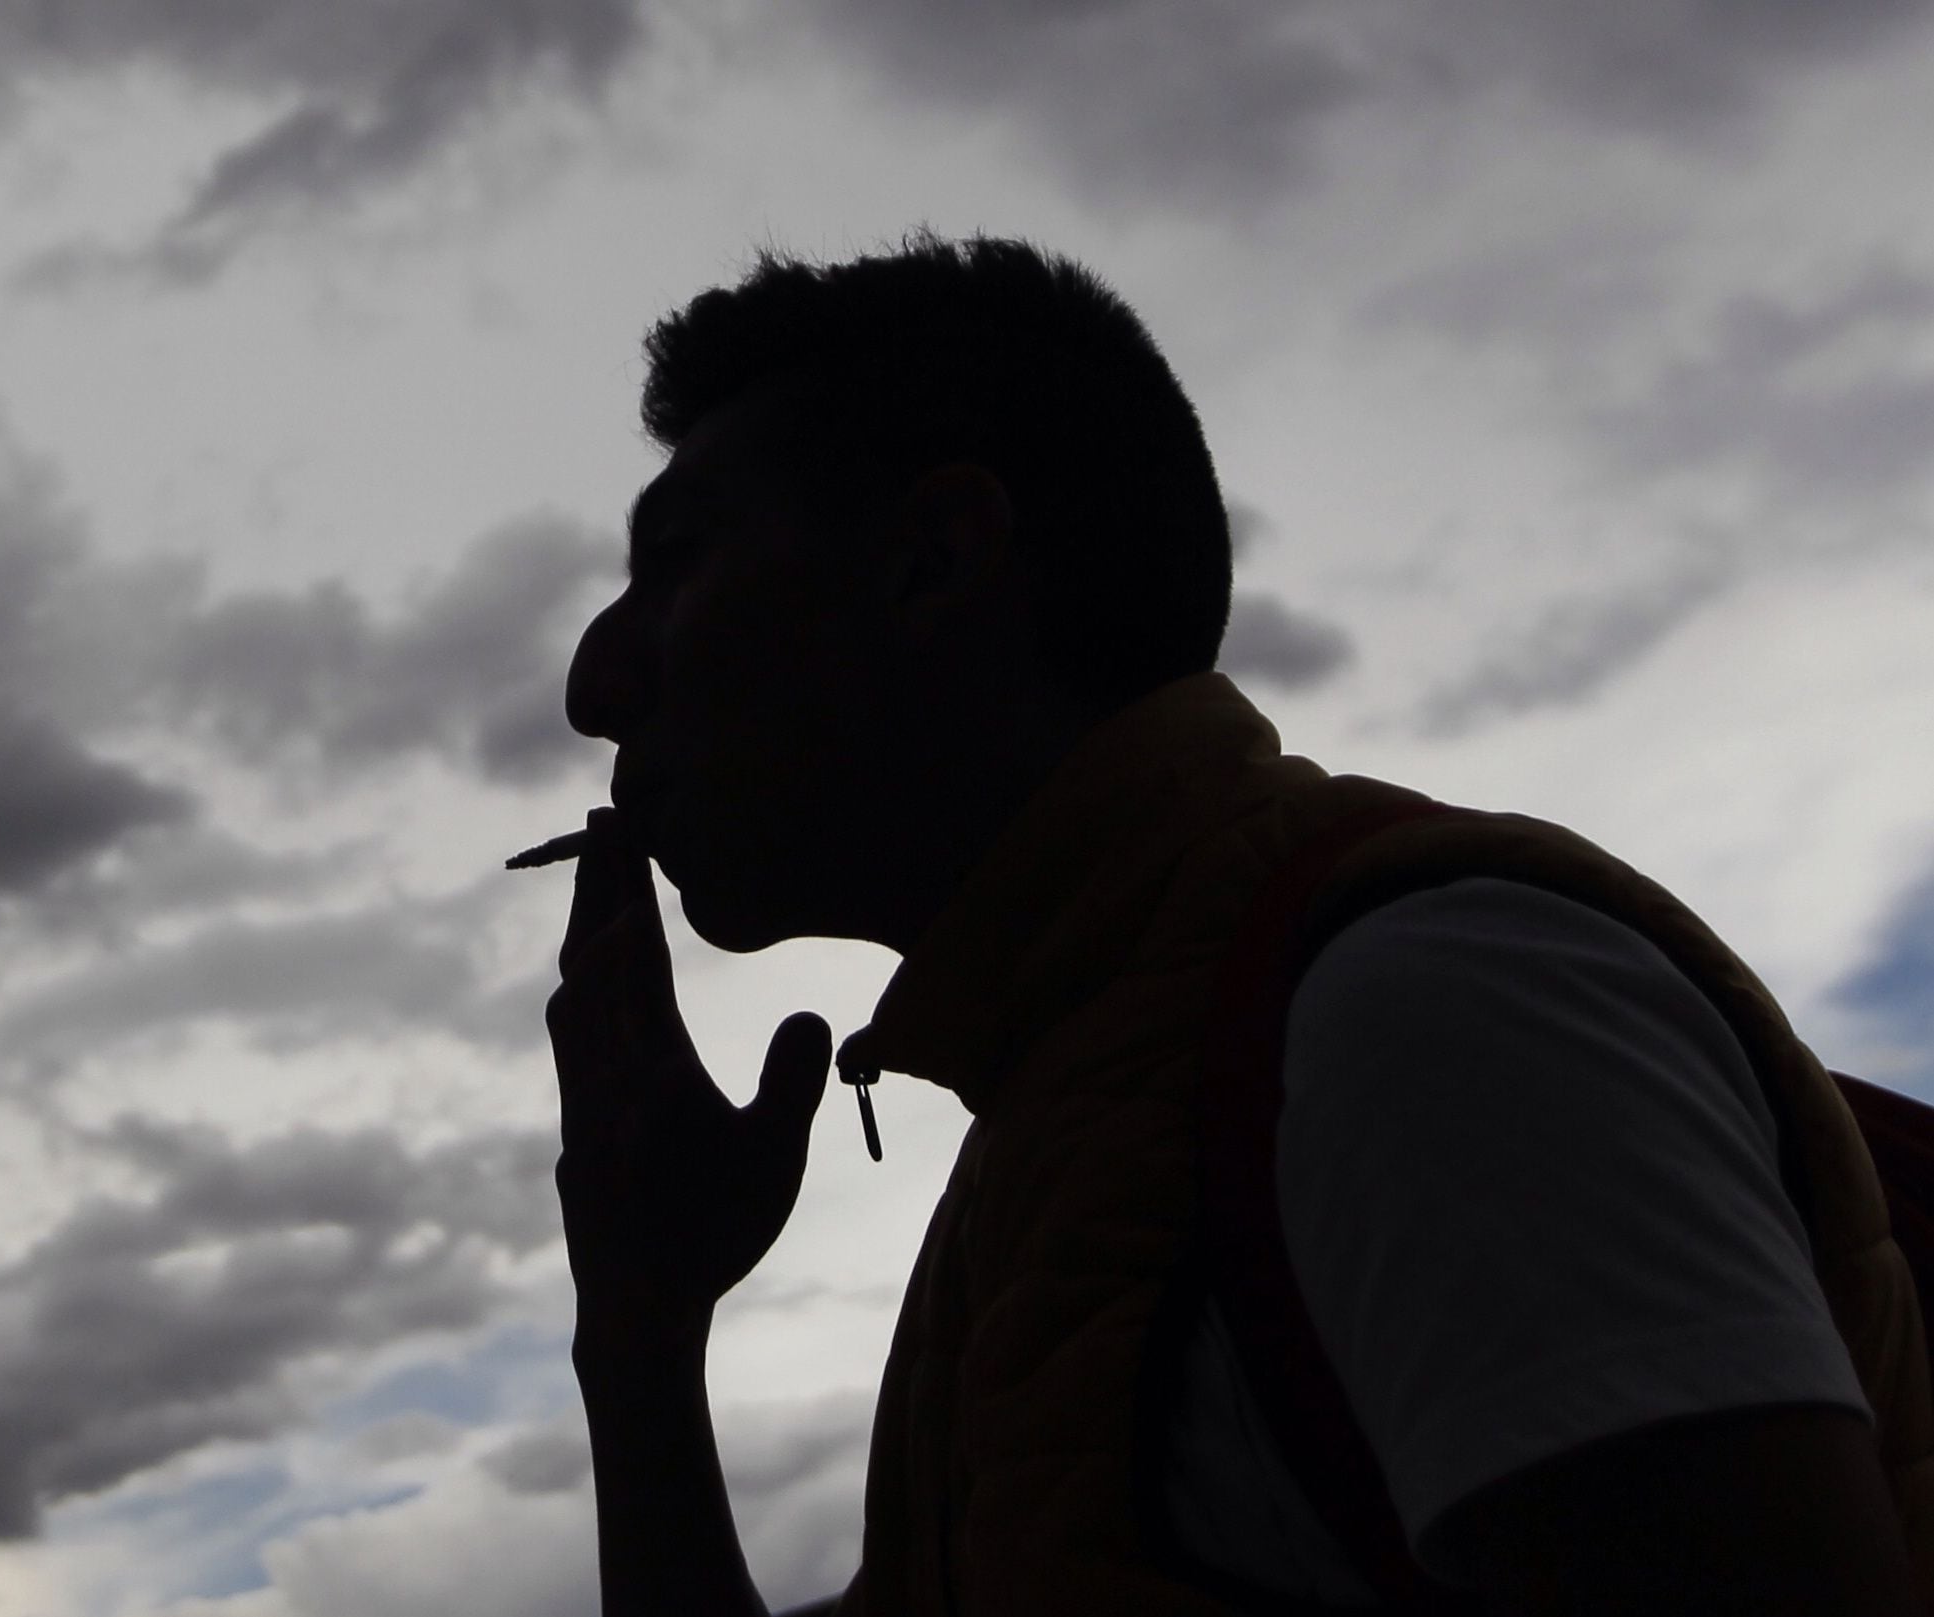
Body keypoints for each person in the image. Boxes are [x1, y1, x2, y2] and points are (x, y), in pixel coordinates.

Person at [543, 228, 1928, 1615]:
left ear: (934, 561)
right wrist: (642, 1328)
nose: (595, 682)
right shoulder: (1059, 1137)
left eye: (677, 563)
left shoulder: (1418, 1022)